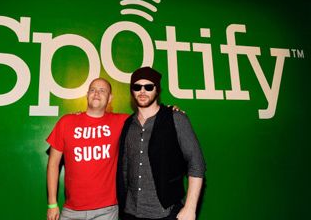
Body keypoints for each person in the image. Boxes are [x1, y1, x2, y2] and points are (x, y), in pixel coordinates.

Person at [117, 67, 206, 220]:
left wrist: (190, 208)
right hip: (130, 213)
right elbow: (125, 168)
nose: (142, 91)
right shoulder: (128, 124)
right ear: (132, 91)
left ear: (157, 90)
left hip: (166, 213)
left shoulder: (176, 119)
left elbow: (196, 163)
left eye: (149, 86)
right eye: (137, 87)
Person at [46, 78, 129, 220]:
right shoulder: (66, 122)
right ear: (87, 95)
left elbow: (150, 117)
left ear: (110, 98)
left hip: (107, 211)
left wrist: (171, 111)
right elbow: (53, 164)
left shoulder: (121, 121)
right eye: (92, 89)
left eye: (102, 90)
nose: (96, 93)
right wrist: (52, 204)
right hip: (72, 210)